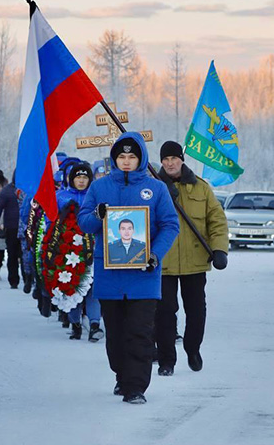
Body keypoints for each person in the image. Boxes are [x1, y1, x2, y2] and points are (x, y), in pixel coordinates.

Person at [79, 132, 179, 405]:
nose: (126, 161)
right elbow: (83, 222)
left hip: (143, 276)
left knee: (140, 332)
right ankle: (122, 376)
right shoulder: (99, 188)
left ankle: (136, 387)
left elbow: (170, 224)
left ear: (141, 159)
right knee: (116, 335)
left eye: (132, 156)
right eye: (121, 156)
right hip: (110, 275)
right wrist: (97, 216)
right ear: (114, 159)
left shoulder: (156, 189)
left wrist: (155, 254)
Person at [155, 141, 228, 376]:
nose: (169, 163)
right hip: (163, 261)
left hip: (195, 260)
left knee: (196, 310)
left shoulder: (201, 188)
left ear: (181, 159)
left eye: (173, 158)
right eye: (165, 159)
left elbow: (216, 220)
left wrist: (220, 250)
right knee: (164, 312)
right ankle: (167, 360)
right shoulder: (154, 187)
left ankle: (193, 348)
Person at [55, 162, 102, 341]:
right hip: (69, 250)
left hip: (94, 249)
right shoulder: (61, 196)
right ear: (71, 179)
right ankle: (75, 323)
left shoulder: (96, 196)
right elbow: (52, 224)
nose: (81, 181)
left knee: (92, 289)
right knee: (73, 288)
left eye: (85, 177)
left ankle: (95, 324)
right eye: (78, 177)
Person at [0, 172, 24, 290]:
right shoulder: (7, 191)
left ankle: (28, 278)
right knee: (12, 254)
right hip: (11, 227)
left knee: (25, 254)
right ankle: (13, 280)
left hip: (27, 227)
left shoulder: (30, 189)